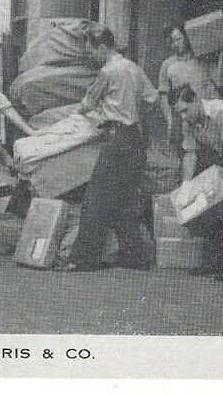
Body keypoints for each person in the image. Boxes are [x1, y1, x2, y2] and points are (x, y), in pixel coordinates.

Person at [58, 25, 158, 271]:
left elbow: (86, 104)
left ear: (102, 47)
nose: (92, 56)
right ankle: (138, 257)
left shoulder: (108, 71)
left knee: (96, 199)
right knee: (124, 200)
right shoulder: (133, 68)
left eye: (91, 51)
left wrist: (91, 115)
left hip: (116, 138)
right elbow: (153, 99)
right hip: (135, 138)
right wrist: (133, 113)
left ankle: (82, 260)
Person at [169, 85, 223, 281]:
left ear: (196, 101)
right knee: (205, 203)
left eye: (185, 110)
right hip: (221, 158)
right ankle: (213, 261)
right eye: (179, 113)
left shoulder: (222, 110)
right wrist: (186, 185)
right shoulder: (188, 123)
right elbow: (190, 153)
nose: (183, 117)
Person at [158, 23, 223, 151]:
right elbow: (163, 96)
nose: (175, 45)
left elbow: (219, 82)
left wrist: (221, 55)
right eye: (171, 42)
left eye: (178, 39)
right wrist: (170, 121)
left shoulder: (202, 58)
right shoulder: (167, 65)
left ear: (186, 37)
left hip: (209, 118)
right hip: (186, 121)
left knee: (213, 154)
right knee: (188, 156)